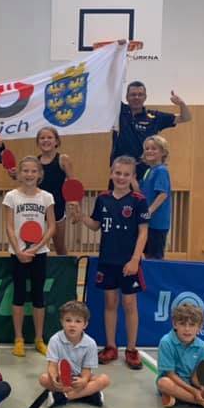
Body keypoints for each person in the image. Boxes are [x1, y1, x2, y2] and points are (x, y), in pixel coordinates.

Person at [68, 156, 149, 370]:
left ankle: (131, 349)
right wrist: (81, 216)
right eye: (118, 173)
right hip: (107, 260)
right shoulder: (103, 198)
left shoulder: (139, 200)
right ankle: (111, 346)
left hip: (129, 262)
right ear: (111, 174)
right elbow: (96, 225)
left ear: (133, 177)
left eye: (126, 174)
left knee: (129, 304)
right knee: (110, 303)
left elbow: (143, 233)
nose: (121, 177)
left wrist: (135, 259)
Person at [2, 156, 56, 357]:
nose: (29, 174)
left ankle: (39, 339)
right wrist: (18, 250)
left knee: (38, 296)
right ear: (19, 173)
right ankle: (19, 339)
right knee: (18, 295)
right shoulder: (11, 196)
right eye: (25, 170)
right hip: (17, 253)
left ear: (40, 174)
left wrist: (36, 248)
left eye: (34, 171)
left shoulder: (47, 197)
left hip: (39, 254)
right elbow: (9, 226)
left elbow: (51, 226)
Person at [111, 81, 190, 180]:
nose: (136, 97)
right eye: (133, 94)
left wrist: (181, 103)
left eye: (140, 94)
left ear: (145, 97)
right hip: (121, 171)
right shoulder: (118, 111)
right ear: (127, 97)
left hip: (145, 171)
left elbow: (185, 118)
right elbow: (107, 91)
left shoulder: (154, 117)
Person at [38, 300, 110, 407]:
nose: (72, 325)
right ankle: (87, 395)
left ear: (85, 324)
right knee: (43, 379)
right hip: (62, 378)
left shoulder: (90, 343)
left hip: (81, 378)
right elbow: (52, 366)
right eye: (68, 320)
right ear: (62, 322)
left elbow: (87, 369)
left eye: (78, 321)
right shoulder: (55, 340)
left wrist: (84, 380)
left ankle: (64, 397)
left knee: (104, 379)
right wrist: (54, 378)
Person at [36, 126, 74, 256]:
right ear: (38, 142)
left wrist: (75, 205)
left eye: (49, 137)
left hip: (57, 207)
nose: (46, 140)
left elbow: (72, 183)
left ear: (56, 141)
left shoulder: (63, 159)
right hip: (38, 208)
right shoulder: (35, 162)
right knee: (35, 245)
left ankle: (66, 269)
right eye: (42, 138)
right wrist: (14, 175)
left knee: (59, 247)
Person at [139, 135, 172, 260]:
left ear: (163, 152)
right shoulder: (149, 171)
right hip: (149, 222)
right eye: (147, 148)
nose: (149, 151)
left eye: (154, 148)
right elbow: (140, 192)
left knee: (155, 257)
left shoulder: (161, 170)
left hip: (158, 223)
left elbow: (163, 194)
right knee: (148, 254)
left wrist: (149, 211)